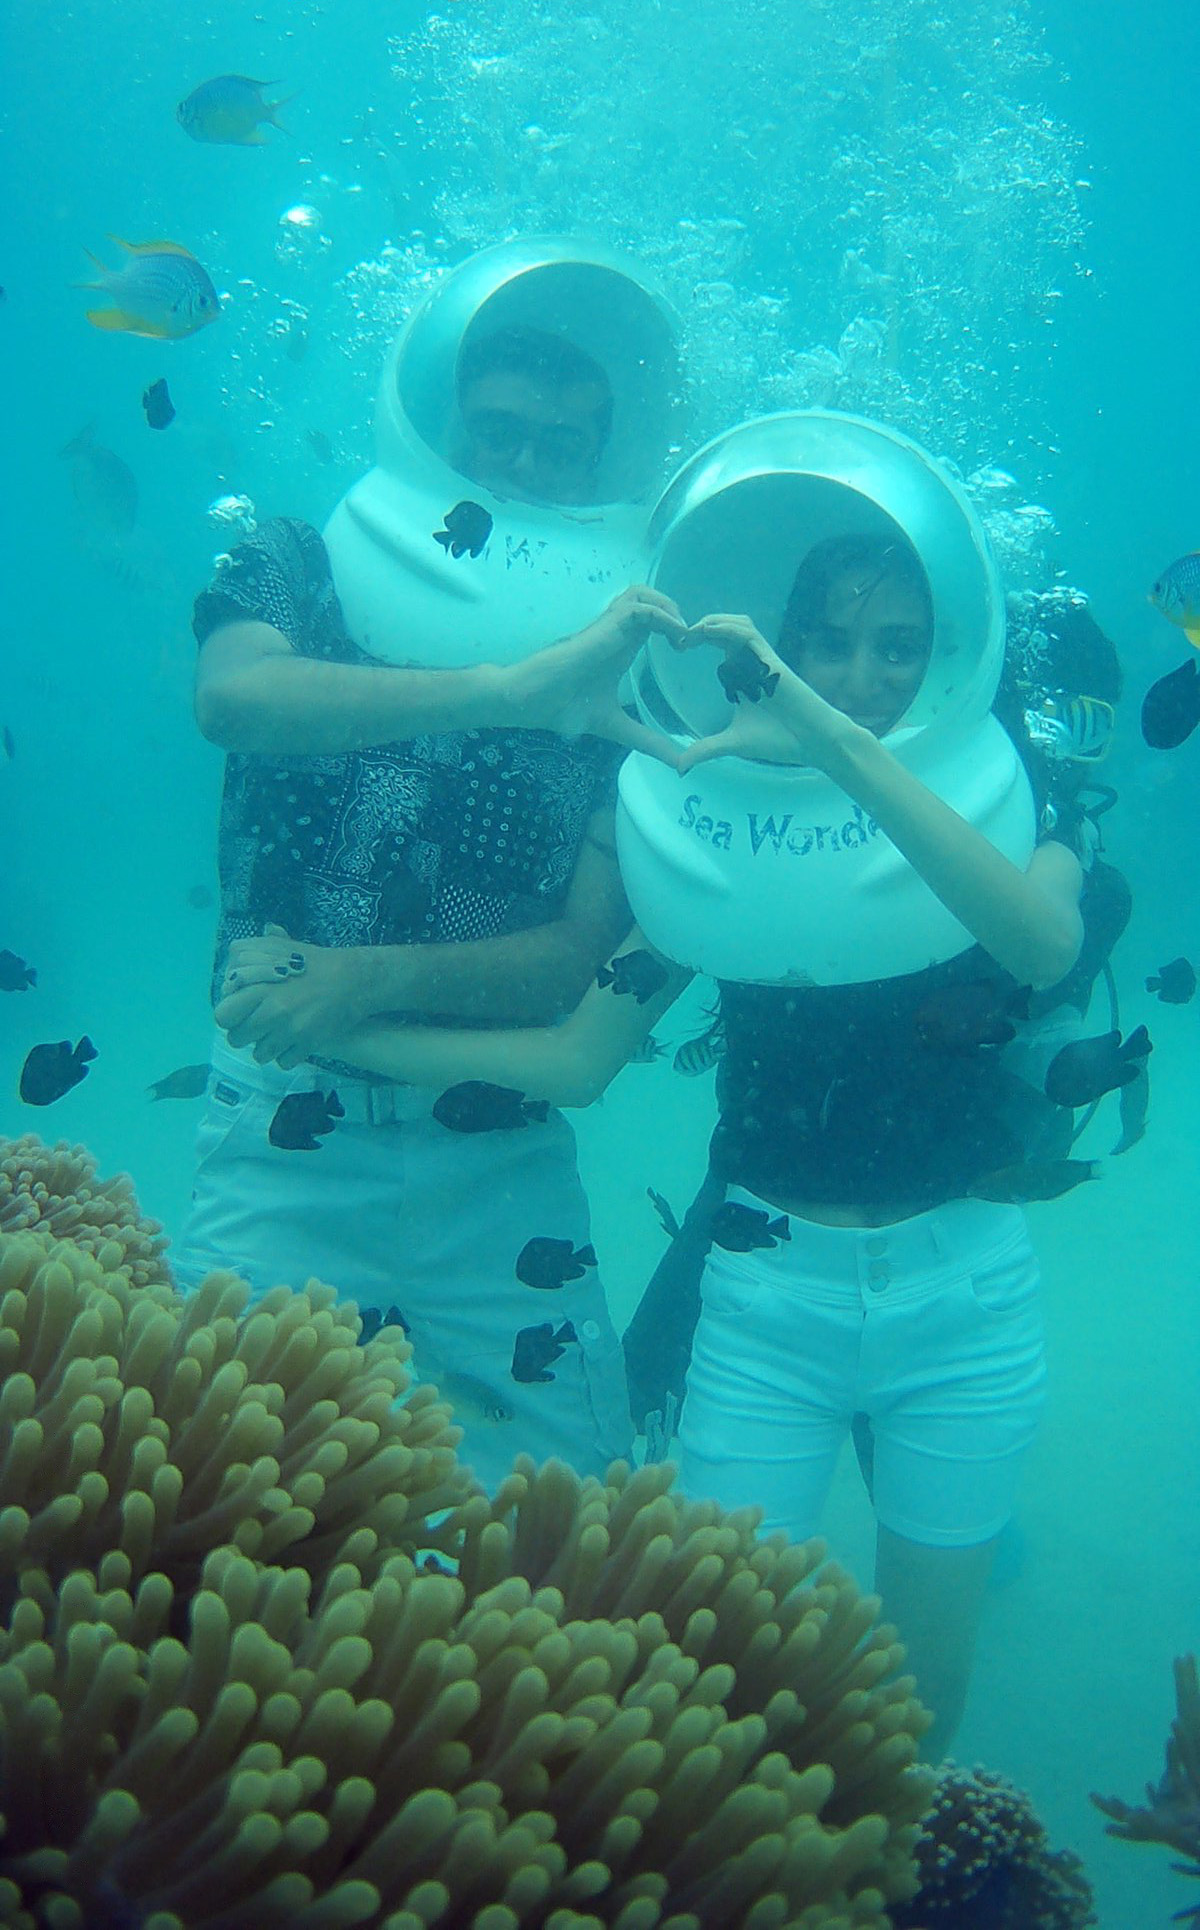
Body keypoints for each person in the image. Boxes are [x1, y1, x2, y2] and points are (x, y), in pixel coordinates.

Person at [214, 416, 1086, 1759]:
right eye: (832, 643)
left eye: (897, 645)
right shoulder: (724, 828)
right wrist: (327, 1016)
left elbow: (1035, 942)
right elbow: (576, 1055)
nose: (860, 674)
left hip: (968, 1295)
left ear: (946, 651)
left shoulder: (1018, 799)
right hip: (767, 1288)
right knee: (708, 1672)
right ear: (785, 645)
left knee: (917, 1711)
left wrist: (827, 736)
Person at [175, 238, 687, 1495]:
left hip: (498, 1148)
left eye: (555, 445)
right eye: (493, 429)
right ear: (435, 422)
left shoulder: (618, 652)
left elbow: (574, 960)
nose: (513, 464)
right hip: (278, 1126)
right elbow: (234, 702)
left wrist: (359, 981)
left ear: (602, 464)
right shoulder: (298, 563)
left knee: (566, 1527)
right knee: (201, 1501)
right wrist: (510, 686)